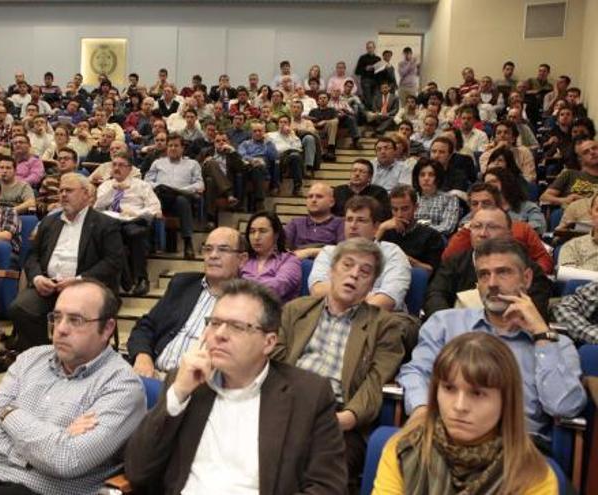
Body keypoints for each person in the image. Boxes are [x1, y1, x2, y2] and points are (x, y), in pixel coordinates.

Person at [0, 279, 146, 495]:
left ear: (107, 329)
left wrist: (7, 413)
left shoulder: (122, 386)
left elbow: (65, 459)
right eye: (57, 317)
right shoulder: (31, 359)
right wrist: (52, 441)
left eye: (76, 320)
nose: (61, 329)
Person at [124, 279, 348, 494]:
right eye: (214, 323)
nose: (219, 335)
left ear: (268, 342)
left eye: (237, 327)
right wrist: (179, 393)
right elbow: (137, 471)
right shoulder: (187, 381)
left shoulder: (308, 394)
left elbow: (327, 487)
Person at [401, 237, 586, 443]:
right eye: (483, 275)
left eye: (503, 272)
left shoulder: (557, 344)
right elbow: (416, 372)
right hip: (446, 437)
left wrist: (541, 335)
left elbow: (564, 406)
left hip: (515, 449)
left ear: (526, 278)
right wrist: (421, 409)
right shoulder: (444, 324)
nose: (492, 284)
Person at [274, 238, 412, 487]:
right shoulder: (295, 310)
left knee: (318, 476)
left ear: (371, 285)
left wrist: (343, 419)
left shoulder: (386, 326)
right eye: (347, 265)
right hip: (286, 409)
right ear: (332, 270)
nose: (354, 274)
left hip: (339, 420)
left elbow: (373, 385)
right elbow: (275, 365)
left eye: (365, 271)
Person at [374, 333, 559, 494]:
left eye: (477, 393)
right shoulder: (405, 449)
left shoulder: (533, 475)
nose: (460, 406)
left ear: (505, 401)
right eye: (449, 388)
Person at [9, 173, 123, 353]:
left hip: (87, 288)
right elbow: (32, 256)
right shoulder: (49, 221)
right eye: (61, 191)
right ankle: (47, 356)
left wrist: (80, 280)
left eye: (69, 191)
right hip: (49, 286)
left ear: (86, 194)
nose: (62, 195)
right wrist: (38, 278)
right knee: (20, 308)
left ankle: (74, 357)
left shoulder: (105, 224)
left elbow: (113, 262)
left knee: (77, 317)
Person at [127, 226, 247, 378]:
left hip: (201, 387)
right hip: (154, 374)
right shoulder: (182, 284)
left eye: (223, 250)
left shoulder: (248, 302)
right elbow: (145, 326)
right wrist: (143, 356)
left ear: (242, 259)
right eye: (208, 249)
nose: (213, 255)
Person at [425, 207, 552, 319]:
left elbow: (534, 312)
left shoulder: (528, 269)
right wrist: (449, 324)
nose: (483, 234)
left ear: (509, 233)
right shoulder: (453, 262)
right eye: (477, 226)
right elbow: (435, 296)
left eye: (492, 227)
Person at [309, 196, 412, 312]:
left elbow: (385, 302)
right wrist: (367, 296)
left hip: (376, 323)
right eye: (349, 219)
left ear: (376, 227)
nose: (353, 226)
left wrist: (339, 296)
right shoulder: (329, 252)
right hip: (330, 320)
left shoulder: (392, 253)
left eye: (361, 220)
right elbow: (317, 291)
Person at [443, 183, 553, 275]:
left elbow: (544, 260)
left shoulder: (522, 228)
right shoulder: (466, 233)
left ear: (498, 205)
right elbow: (446, 263)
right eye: (474, 204)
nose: (480, 208)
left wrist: (524, 277)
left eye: (486, 203)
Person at [93, 154, 161, 296]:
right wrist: (114, 189)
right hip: (110, 223)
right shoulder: (106, 186)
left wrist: (134, 213)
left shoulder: (142, 185)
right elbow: (97, 208)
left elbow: (155, 208)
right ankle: (126, 279)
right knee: (112, 234)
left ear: (130, 168)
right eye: (114, 165)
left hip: (133, 221)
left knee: (135, 233)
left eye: (121, 165)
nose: (116, 168)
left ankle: (141, 279)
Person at [144, 134, 204, 259]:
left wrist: (180, 190)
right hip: (160, 199)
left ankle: (188, 243)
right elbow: (147, 181)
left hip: (179, 199)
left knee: (182, 200)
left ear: (182, 148)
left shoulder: (192, 164)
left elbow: (200, 184)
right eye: (170, 146)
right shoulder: (158, 163)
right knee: (158, 194)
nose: (172, 148)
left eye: (176, 146)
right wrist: (159, 185)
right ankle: (150, 243)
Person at [378, 185, 444, 274]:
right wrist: (381, 229)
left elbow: (430, 271)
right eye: (395, 209)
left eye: (405, 209)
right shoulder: (385, 231)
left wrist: (402, 257)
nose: (399, 214)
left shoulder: (431, 235)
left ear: (416, 207)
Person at [241, 211, 302, 302]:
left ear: (276, 235)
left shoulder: (289, 260)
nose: (256, 237)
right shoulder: (244, 259)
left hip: (275, 313)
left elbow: (277, 287)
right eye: (252, 232)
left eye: (263, 231)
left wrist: (241, 288)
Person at [285, 182, 344, 259]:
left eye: (319, 196)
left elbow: (343, 251)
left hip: (327, 264)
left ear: (331, 202)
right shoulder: (295, 223)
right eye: (310, 196)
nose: (313, 200)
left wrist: (310, 252)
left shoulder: (341, 223)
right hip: (297, 264)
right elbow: (282, 248)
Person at [540, 139, 598, 206]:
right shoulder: (570, 174)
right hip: (574, 211)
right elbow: (544, 197)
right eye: (586, 152)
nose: (592, 152)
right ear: (580, 159)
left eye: (594, 148)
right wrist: (565, 200)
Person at [411, 158, 459, 236]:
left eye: (431, 175)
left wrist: (423, 231)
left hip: (436, 238)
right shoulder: (411, 197)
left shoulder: (450, 199)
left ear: (438, 178)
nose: (426, 178)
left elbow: (447, 227)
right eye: (422, 175)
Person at [355, 41, 382, 110]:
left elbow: (381, 72)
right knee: (368, 100)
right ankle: (368, 116)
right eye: (368, 48)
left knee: (376, 99)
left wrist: (375, 68)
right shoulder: (362, 58)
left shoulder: (378, 59)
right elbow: (357, 72)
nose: (370, 49)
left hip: (376, 81)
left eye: (371, 47)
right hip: (366, 80)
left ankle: (374, 115)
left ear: (374, 48)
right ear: (366, 49)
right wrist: (365, 68)